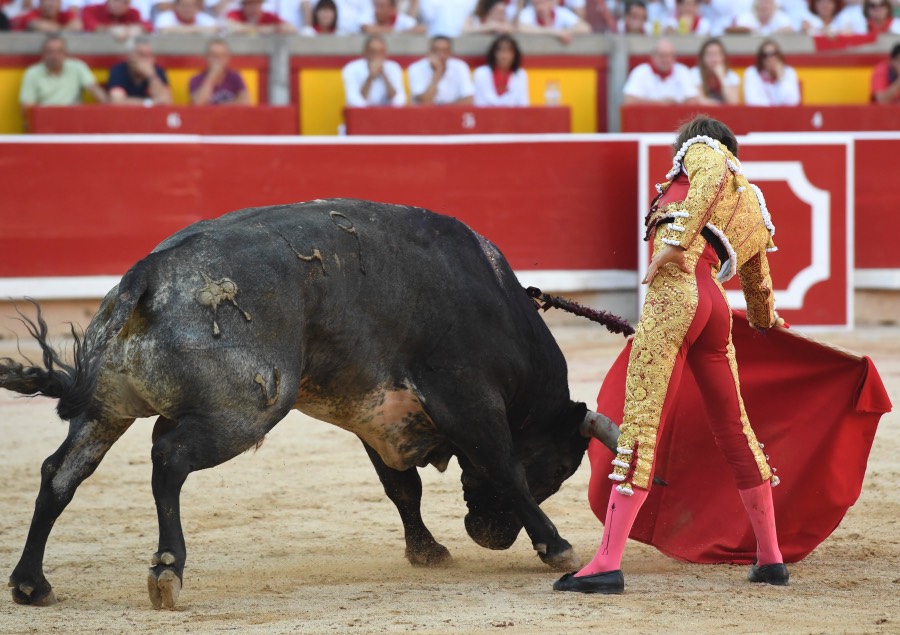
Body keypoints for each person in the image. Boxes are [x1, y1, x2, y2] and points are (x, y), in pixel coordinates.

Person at [553, 115, 788, 595]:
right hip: (714, 309)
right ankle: (770, 558)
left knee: (641, 421)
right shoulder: (751, 205)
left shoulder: (704, 153)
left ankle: (606, 563)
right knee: (735, 428)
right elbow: (758, 288)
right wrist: (768, 322)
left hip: (675, 295)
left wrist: (676, 244)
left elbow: (712, 177)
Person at [19, 34, 108, 116]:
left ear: (65, 53)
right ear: (43, 53)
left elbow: (96, 91)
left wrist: (107, 105)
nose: (54, 56)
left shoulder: (78, 67)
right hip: (45, 122)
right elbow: (26, 109)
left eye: (59, 51)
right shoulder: (32, 73)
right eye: (50, 52)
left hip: (74, 120)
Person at [622, 38, 699, 104]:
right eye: (662, 55)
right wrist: (660, 103)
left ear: (674, 57)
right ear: (653, 56)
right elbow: (629, 100)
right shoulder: (640, 71)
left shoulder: (682, 71)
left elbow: (693, 100)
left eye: (669, 55)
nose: (665, 59)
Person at [342, 35, 407, 107]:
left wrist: (384, 74)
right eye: (373, 52)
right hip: (362, 116)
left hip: (387, 115)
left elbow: (400, 101)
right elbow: (354, 102)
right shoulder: (351, 69)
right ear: (365, 53)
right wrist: (370, 76)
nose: (377, 56)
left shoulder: (393, 67)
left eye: (381, 52)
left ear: (386, 53)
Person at [408, 35, 475, 105]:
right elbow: (424, 103)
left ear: (450, 53)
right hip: (424, 115)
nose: (441, 55)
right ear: (429, 52)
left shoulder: (460, 66)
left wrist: (443, 110)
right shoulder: (416, 68)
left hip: (453, 114)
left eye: (445, 51)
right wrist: (438, 73)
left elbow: (469, 100)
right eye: (436, 51)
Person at [107, 35, 172, 106]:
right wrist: (149, 103)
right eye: (141, 54)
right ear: (130, 56)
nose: (146, 60)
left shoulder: (158, 71)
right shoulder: (119, 70)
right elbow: (116, 101)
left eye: (149, 55)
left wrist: (151, 75)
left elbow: (166, 101)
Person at [189, 37, 250, 105]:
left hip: (230, 115)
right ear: (206, 57)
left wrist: (221, 108)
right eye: (214, 56)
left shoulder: (235, 77)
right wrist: (211, 77)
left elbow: (246, 102)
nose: (218, 60)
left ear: (228, 58)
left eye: (222, 55)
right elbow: (198, 103)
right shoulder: (196, 79)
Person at [473, 33, 529, 106]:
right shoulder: (481, 73)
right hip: (486, 116)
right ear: (494, 53)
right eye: (501, 50)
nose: (504, 55)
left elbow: (523, 105)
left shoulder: (520, 74)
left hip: (512, 116)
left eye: (509, 51)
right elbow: (478, 104)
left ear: (515, 54)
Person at [743, 38, 801, 106]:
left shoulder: (789, 72)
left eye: (774, 54)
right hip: (759, 115)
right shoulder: (752, 73)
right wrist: (774, 105)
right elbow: (751, 102)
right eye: (765, 55)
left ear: (779, 56)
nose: (770, 58)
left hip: (784, 115)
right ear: (761, 58)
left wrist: (781, 78)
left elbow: (792, 101)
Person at [691, 37, 740, 105]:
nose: (713, 59)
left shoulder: (732, 75)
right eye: (709, 55)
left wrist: (722, 78)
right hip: (703, 114)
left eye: (717, 54)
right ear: (702, 58)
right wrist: (720, 105)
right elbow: (699, 100)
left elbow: (733, 103)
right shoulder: (695, 73)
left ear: (723, 57)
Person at [515, 0, 591, 44]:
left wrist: (565, 32)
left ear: (550, 2)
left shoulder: (561, 12)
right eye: (536, 3)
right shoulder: (527, 12)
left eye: (542, 2)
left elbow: (585, 28)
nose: (539, 7)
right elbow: (521, 29)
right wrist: (555, 33)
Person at [81, 0, 149, 38]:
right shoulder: (92, 10)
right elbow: (89, 26)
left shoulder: (133, 13)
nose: (119, 5)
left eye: (125, 2)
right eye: (116, 0)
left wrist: (138, 28)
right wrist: (111, 30)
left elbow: (148, 26)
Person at [799, 0, 868, 35]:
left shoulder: (843, 18)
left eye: (829, 2)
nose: (825, 6)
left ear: (835, 5)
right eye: (821, 2)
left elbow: (848, 33)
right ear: (815, 5)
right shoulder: (808, 19)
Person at [225, 0, 296, 33]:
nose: (254, 7)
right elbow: (230, 27)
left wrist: (253, 30)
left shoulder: (268, 16)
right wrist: (264, 30)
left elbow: (291, 28)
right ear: (244, 5)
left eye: (257, 3)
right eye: (250, 4)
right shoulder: (235, 14)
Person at [729, 0, 796, 34]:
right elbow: (735, 30)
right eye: (762, 3)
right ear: (756, 5)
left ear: (773, 6)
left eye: (767, 3)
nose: (764, 6)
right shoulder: (746, 17)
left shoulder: (781, 17)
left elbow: (790, 29)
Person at [11, 0, 82, 31]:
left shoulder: (64, 14)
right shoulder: (33, 13)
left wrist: (58, 30)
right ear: (40, 3)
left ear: (60, 4)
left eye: (54, 1)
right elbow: (38, 26)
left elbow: (77, 25)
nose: (50, 4)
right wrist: (65, 29)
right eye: (47, 1)